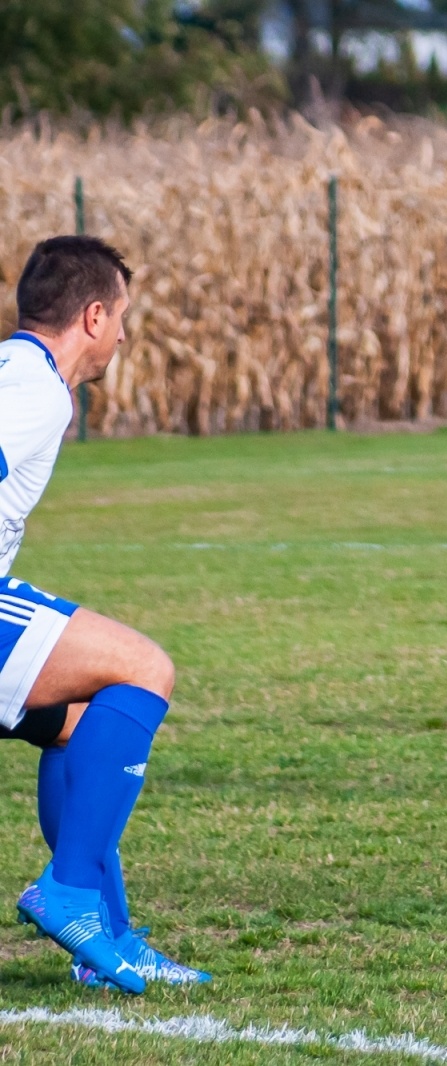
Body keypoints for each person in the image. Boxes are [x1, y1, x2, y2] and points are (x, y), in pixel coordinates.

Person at [0, 236, 209, 992]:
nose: (124, 333)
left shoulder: (14, 372)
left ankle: (106, 936)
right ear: (93, 317)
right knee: (145, 668)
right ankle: (71, 896)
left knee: (85, 721)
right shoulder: (34, 390)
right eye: (122, 316)